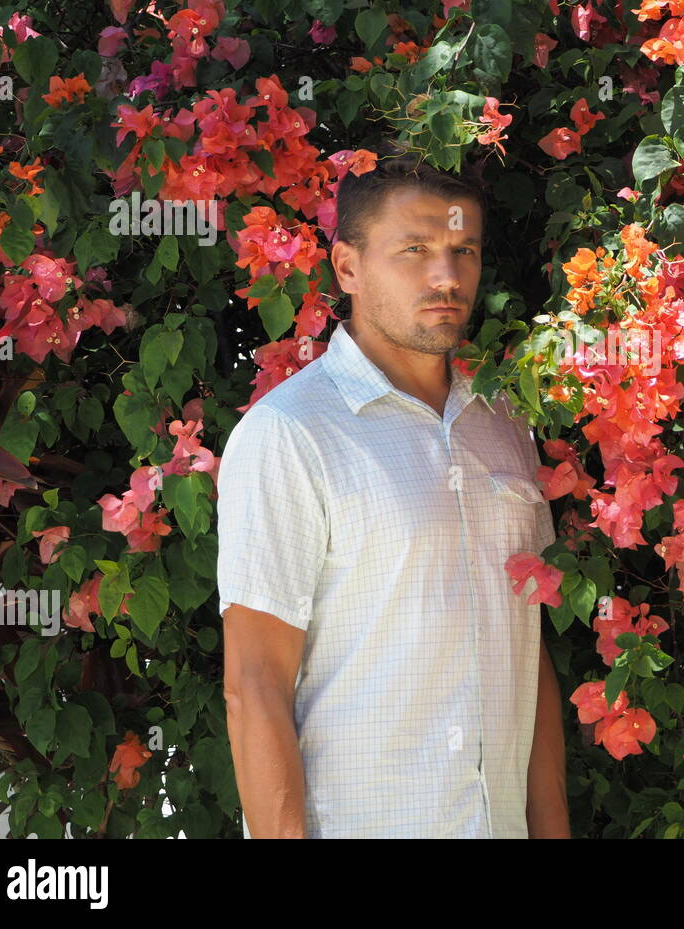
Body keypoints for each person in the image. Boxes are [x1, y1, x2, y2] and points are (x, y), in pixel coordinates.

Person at [216, 149, 570, 838]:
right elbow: (253, 683)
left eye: (463, 249)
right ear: (347, 266)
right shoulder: (289, 434)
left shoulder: (505, 424)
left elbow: (528, 653)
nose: (446, 275)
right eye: (415, 249)